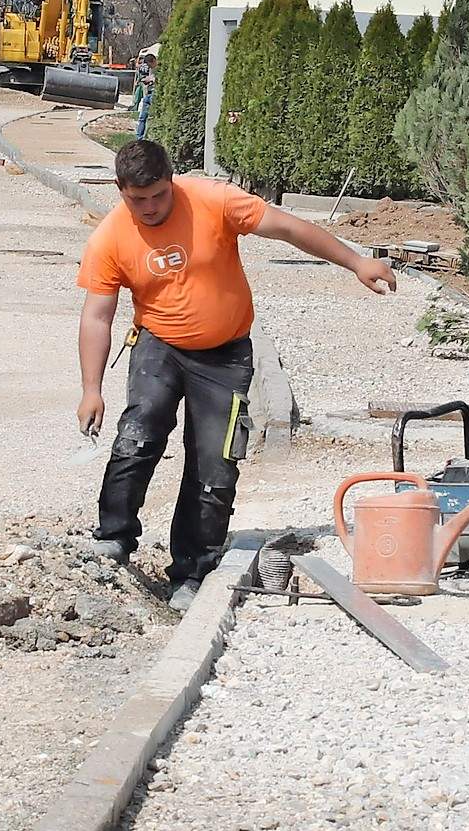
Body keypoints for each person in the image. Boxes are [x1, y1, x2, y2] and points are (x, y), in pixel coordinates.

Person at [76, 137, 398, 596]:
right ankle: (114, 537)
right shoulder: (110, 237)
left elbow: (288, 228)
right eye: (136, 200)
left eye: (159, 196)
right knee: (139, 432)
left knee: (215, 462)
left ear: (173, 181)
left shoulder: (214, 200)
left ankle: (192, 571)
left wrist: (356, 262)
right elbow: (97, 315)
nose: (149, 208)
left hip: (225, 355)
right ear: (119, 190)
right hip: (158, 346)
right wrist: (92, 388)